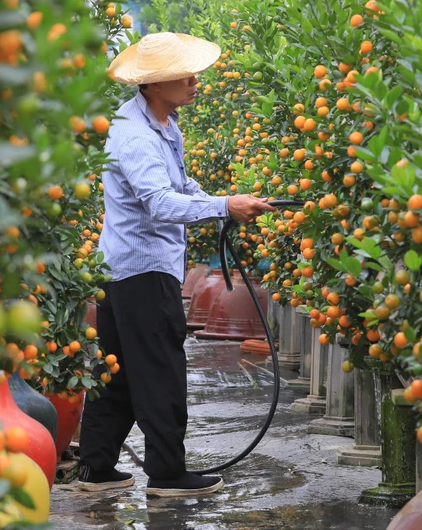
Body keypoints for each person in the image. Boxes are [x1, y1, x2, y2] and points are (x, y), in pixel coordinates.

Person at [77, 32, 276, 496]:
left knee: (119, 373)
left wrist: (230, 201)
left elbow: (182, 187)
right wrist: (225, 206)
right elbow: (159, 203)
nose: (193, 81)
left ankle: (95, 470)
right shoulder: (136, 136)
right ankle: (167, 475)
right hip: (143, 272)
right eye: (180, 76)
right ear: (151, 84)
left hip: (126, 270)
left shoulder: (164, 125)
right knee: (161, 370)